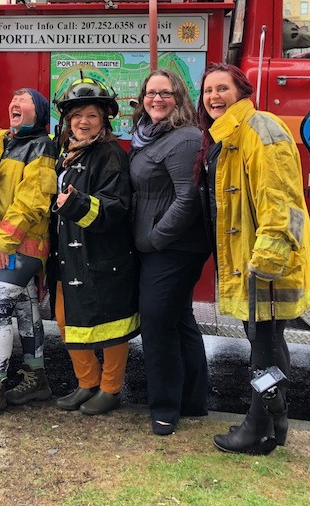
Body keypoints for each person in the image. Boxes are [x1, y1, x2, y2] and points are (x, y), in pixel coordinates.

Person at [197, 62, 310, 455]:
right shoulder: (229, 133)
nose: (214, 97)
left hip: (269, 264)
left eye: (222, 88)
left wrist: (268, 258)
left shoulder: (260, 130)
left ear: (242, 91)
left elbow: (281, 200)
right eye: (208, 91)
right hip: (256, 261)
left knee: (263, 347)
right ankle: (275, 420)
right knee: (267, 342)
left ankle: (259, 426)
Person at [128, 69, 212, 436]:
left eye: (165, 93)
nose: (156, 99)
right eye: (150, 92)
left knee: (157, 322)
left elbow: (187, 198)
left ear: (179, 97)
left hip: (175, 248)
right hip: (160, 246)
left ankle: (164, 409)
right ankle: (193, 400)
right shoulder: (149, 138)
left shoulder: (186, 139)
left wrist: (155, 238)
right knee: (179, 319)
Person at [50, 76, 139, 416]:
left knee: (112, 324)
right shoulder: (66, 154)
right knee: (65, 318)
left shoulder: (111, 155)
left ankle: (110, 388)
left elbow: (114, 206)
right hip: (68, 258)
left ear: (105, 119)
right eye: (76, 116)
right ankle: (86, 382)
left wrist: (76, 203)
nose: (83, 122)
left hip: (102, 255)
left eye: (91, 115)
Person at [0, 88, 58, 419]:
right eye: (12, 100)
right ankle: (37, 377)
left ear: (39, 112)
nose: (14, 104)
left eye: (23, 101)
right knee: (25, 305)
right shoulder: (7, 142)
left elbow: (33, 200)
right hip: (5, 243)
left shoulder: (42, 146)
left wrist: (5, 243)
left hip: (23, 243)